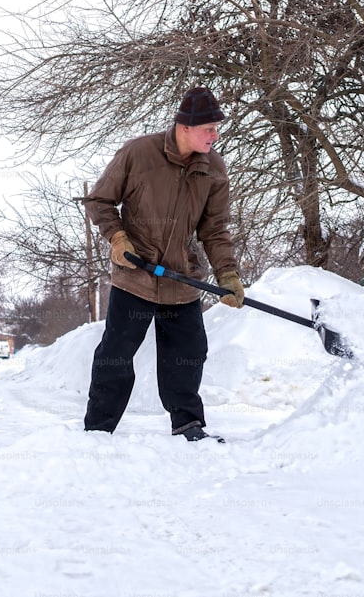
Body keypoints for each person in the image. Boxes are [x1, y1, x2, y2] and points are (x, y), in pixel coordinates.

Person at [82, 86, 244, 442]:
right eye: (209, 129)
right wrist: (118, 238)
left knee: (187, 356)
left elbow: (214, 229)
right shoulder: (139, 154)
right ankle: (97, 429)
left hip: (181, 280)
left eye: (217, 128)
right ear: (184, 127)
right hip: (135, 277)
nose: (215, 136)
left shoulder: (213, 169)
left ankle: (188, 426)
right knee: (116, 355)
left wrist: (227, 274)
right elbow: (99, 200)